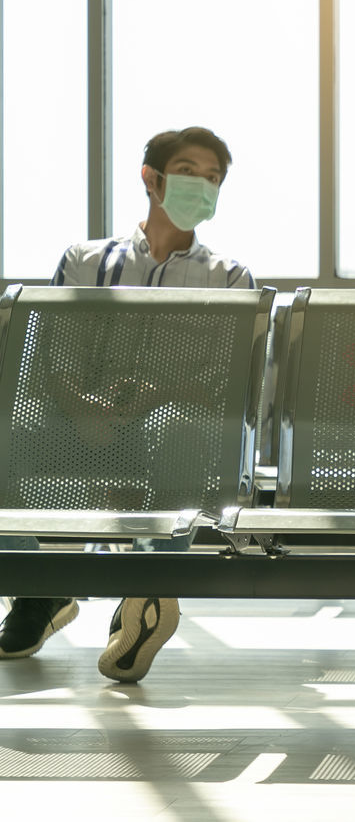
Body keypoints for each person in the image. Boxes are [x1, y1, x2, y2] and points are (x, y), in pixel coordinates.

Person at [0, 126, 253, 682]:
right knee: (12, 433)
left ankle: (145, 587)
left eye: (213, 179)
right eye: (190, 172)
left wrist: (154, 396)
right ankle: (41, 589)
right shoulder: (85, 261)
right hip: (79, 414)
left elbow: (225, 382)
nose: (202, 186)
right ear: (152, 178)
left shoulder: (229, 279)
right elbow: (56, 356)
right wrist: (83, 405)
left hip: (167, 419)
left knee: (183, 431)